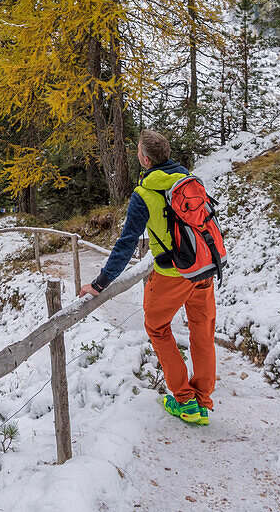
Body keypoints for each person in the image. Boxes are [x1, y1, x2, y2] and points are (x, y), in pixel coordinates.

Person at [78, 129, 216, 426]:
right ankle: (203, 399)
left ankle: (185, 400)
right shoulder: (190, 181)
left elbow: (127, 243)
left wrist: (100, 283)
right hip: (203, 268)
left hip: (171, 274)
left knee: (157, 328)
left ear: (144, 159)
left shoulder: (144, 194)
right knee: (202, 333)